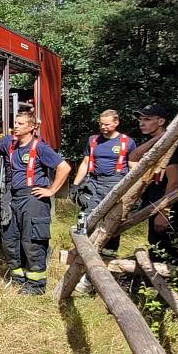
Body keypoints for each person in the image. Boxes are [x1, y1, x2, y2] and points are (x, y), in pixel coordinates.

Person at [0, 111, 71, 295]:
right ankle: (18, 279)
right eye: (15, 123)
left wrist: (51, 191)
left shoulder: (40, 147)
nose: (15, 126)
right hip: (12, 197)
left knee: (32, 240)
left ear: (32, 127)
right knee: (10, 239)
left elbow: (64, 167)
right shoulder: (9, 143)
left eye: (20, 123)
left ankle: (36, 285)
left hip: (33, 199)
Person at [71, 109, 138, 255]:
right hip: (93, 182)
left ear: (116, 122)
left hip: (116, 182)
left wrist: (135, 189)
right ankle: (82, 248)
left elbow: (133, 167)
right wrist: (75, 184)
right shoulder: (93, 140)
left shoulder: (127, 142)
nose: (103, 128)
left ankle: (108, 252)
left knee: (112, 219)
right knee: (86, 215)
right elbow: (85, 163)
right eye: (101, 124)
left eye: (107, 125)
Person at [129, 104, 178, 264]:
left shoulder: (172, 146)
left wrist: (164, 213)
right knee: (156, 249)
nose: (142, 123)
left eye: (147, 119)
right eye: (140, 119)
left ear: (161, 121)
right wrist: (159, 138)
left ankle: (170, 286)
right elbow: (133, 157)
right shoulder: (159, 143)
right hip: (156, 203)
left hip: (170, 206)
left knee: (168, 253)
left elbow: (174, 181)